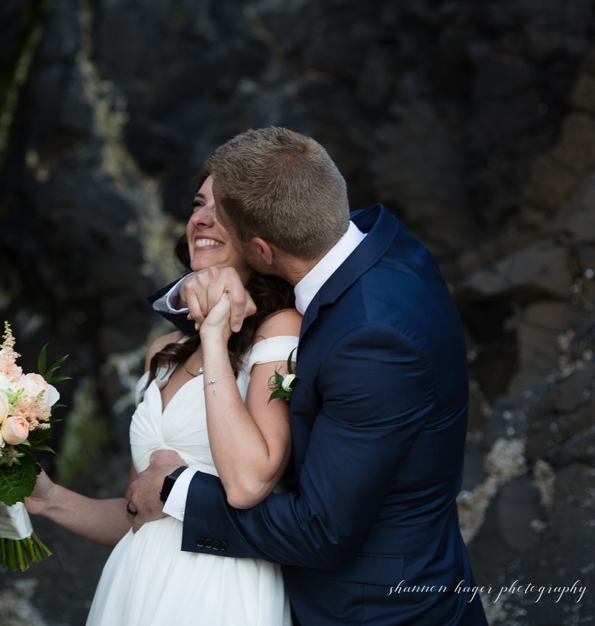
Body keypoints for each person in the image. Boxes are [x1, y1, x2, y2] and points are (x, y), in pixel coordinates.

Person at [130, 127, 489, 625]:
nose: (205, 224)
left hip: (378, 610)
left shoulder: (373, 343)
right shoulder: (370, 239)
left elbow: (321, 531)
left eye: (223, 225)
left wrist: (175, 490)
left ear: (261, 250)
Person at [0, 174, 301, 626]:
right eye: (198, 204)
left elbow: (254, 477)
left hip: (219, 589)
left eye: (224, 208)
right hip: (133, 582)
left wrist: (215, 339)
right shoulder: (162, 353)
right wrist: (47, 499)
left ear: (261, 234)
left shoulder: (281, 330)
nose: (202, 218)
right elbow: (138, 512)